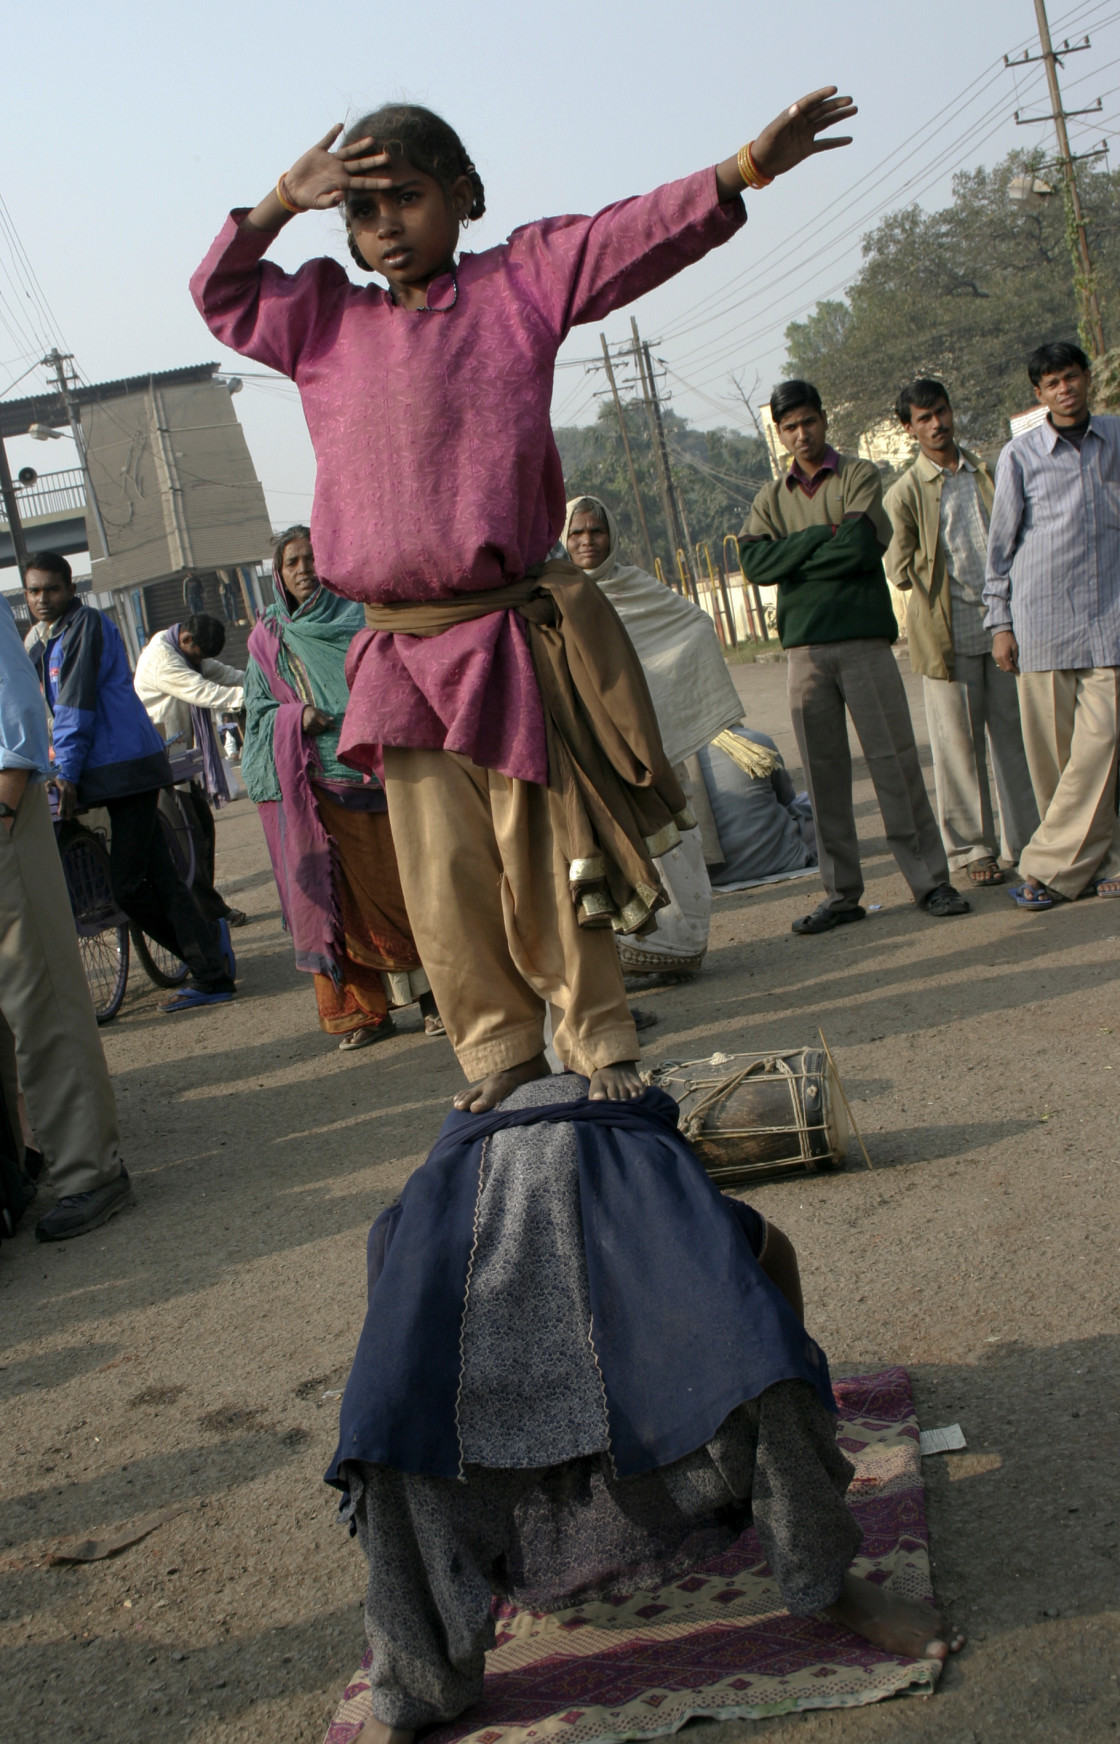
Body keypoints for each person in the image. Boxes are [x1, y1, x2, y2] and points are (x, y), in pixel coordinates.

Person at [191, 90, 858, 1108]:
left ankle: (599, 1046)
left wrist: (740, 170)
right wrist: (281, 200)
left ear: (461, 195)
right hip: (398, 654)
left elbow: (626, 236)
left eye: (407, 199)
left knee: (553, 862)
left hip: (506, 637)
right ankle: (497, 1057)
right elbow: (221, 290)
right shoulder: (322, 318)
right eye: (364, 215)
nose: (387, 228)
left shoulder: (520, 285)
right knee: (443, 876)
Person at [326, 1074, 963, 1743]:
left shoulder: (647, 1184)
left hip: (652, 1448)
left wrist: (783, 1376)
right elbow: (395, 1376)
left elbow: (765, 1282)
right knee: (390, 1444)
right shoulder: (435, 1217)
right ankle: (415, 1687)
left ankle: (825, 1583)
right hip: (499, 1479)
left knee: (763, 1376)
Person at [740, 381, 969, 935]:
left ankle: (931, 882)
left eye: (809, 422)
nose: (802, 434)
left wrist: (795, 557)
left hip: (864, 642)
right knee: (822, 776)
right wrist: (823, 536)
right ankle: (841, 894)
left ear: (823, 420)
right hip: (804, 652)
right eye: (790, 427)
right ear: (780, 434)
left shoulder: (860, 475)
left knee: (895, 763)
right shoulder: (770, 498)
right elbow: (755, 565)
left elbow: (860, 547)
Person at [242, 526, 442, 1048]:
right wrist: (296, 715)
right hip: (316, 787)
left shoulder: (364, 614)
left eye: (312, 558)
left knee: (407, 890)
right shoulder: (269, 639)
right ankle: (366, 1014)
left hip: (379, 774)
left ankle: (434, 999)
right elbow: (258, 713)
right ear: (279, 575)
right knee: (340, 906)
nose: (304, 568)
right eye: (292, 562)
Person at [23, 552, 237, 1012]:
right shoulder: (42, 640)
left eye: (51, 589)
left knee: (127, 887)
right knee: (160, 877)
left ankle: (208, 963)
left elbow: (74, 707)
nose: (42, 598)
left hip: (127, 769)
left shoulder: (86, 627)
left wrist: (67, 772)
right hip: (110, 772)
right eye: (33, 591)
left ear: (70, 589)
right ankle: (210, 962)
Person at [562, 494, 743, 977]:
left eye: (595, 531)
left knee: (669, 833)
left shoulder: (635, 589)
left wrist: (654, 707)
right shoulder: (557, 595)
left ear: (612, 536)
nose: (586, 541)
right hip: (593, 748)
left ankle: (681, 945)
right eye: (576, 532)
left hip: (646, 749)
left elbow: (695, 628)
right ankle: (632, 950)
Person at [0, 592, 132, 1242]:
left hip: (2, 807)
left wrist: (3, 808)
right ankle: (15, 1176)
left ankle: (90, 1171)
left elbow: (18, 711)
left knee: (40, 997)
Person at [885, 379, 1037, 888]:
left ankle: (1030, 841)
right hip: (946, 635)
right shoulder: (905, 492)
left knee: (1015, 740)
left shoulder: (990, 471)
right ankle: (973, 850)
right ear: (908, 428)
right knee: (958, 748)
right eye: (924, 418)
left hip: (1004, 627)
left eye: (942, 412)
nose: (937, 424)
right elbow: (898, 567)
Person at [984, 341, 1120, 907]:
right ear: (1038, 395)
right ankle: (1101, 865)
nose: (1065, 389)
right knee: (1056, 763)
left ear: (1087, 379)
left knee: (1105, 744)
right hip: (1040, 621)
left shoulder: (1117, 438)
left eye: (1071, 377)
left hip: (1110, 617)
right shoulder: (1019, 456)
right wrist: (1000, 623)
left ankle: (1043, 866)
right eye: (1052, 383)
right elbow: (1001, 548)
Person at [133, 611, 249, 927]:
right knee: (188, 845)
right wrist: (249, 696)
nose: (201, 662)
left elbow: (221, 674)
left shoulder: (185, 652)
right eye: (199, 655)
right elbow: (203, 691)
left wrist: (262, 681)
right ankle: (207, 912)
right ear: (186, 640)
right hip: (161, 765)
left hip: (184, 764)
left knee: (204, 832)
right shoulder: (163, 658)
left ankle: (205, 909)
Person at [696, 724, 818, 888]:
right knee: (816, 803)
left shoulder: (676, 757)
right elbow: (787, 799)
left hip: (715, 876)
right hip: (784, 859)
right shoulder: (755, 741)